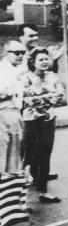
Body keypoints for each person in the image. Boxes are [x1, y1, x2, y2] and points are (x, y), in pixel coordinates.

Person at [20, 48, 64, 203]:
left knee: (46, 151)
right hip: (30, 120)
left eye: (46, 59)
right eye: (41, 59)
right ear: (33, 62)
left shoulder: (52, 76)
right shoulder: (25, 78)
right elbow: (26, 100)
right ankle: (19, 196)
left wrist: (42, 99)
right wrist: (47, 98)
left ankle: (43, 190)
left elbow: (60, 96)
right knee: (28, 155)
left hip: (48, 119)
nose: (45, 62)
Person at [0, 41, 26, 175]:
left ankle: (9, 191)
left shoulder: (19, 69)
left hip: (15, 114)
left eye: (23, 53)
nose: (20, 55)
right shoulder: (2, 69)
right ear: (6, 52)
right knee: (2, 155)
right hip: (3, 114)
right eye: (17, 53)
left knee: (14, 156)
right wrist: (11, 90)